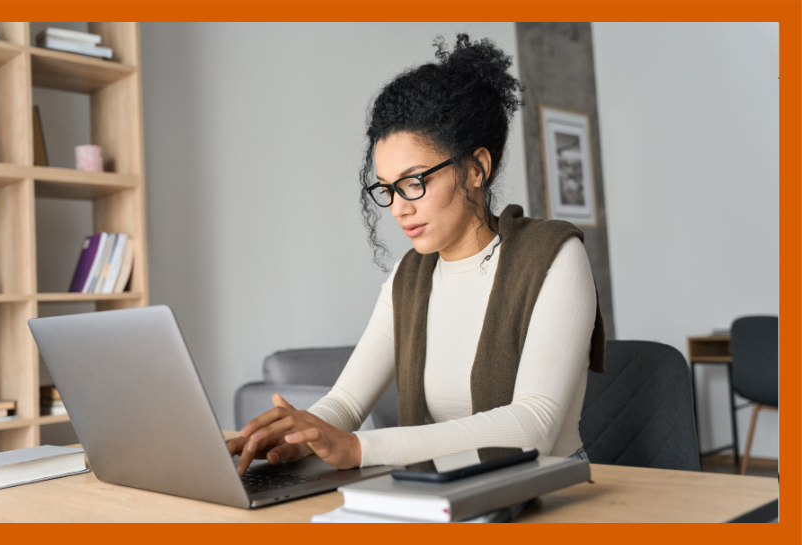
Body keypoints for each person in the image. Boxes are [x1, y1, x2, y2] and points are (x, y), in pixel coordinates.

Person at [226, 34, 605, 476]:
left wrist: (359, 449)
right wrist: (300, 434)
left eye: (414, 181)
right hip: (446, 489)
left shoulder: (553, 256)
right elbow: (347, 402)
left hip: (548, 491)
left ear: (476, 168)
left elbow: (534, 424)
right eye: (387, 188)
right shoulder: (409, 277)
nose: (399, 206)